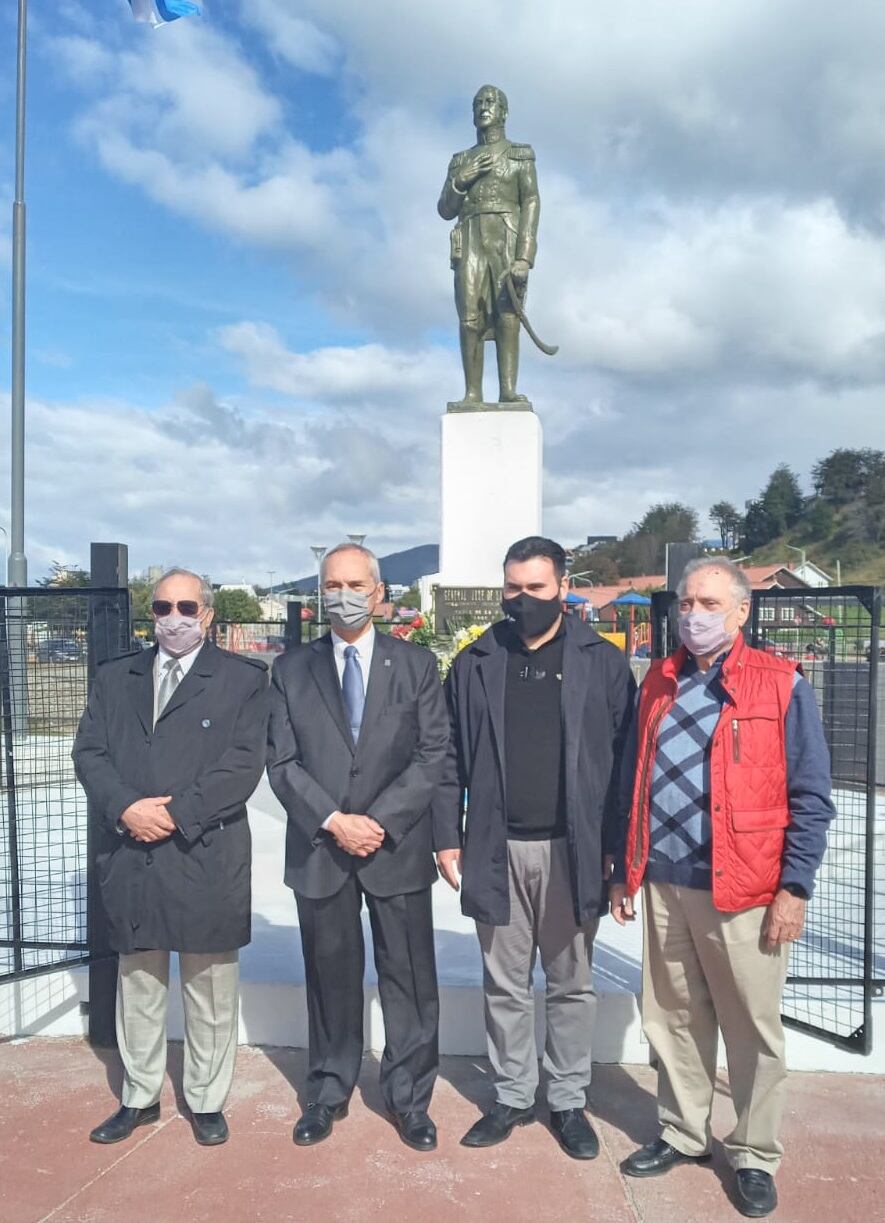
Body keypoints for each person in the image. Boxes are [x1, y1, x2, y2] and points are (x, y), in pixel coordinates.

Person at [609, 558, 835, 1219]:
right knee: (670, 1017)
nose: (691, 614)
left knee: (751, 1027)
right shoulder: (658, 678)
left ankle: (754, 1152)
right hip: (663, 881)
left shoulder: (780, 685)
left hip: (745, 887)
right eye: (684, 602)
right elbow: (634, 775)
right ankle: (682, 1131)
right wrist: (625, 869)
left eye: (707, 602)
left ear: (739, 612)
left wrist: (794, 886)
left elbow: (810, 796)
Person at [435, 537, 634, 1158]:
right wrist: (447, 836)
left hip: (574, 850)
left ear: (563, 587)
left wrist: (618, 851)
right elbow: (447, 757)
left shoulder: (600, 662)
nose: (523, 601)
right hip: (495, 847)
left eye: (537, 588)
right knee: (505, 982)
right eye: (513, 588)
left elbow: (626, 764)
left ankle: (569, 1099)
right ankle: (514, 1095)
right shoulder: (476, 662)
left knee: (572, 982)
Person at [73, 568, 269, 1147]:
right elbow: (90, 752)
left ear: (207, 614)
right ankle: (139, 1097)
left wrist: (176, 813)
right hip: (132, 850)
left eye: (187, 606)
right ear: (150, 613)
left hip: (203, 849)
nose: (174, 618)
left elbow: (243, 765)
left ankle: (207, 1100)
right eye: (162, 607)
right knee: (139, 980)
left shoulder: (242, 680)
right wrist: (126, 807)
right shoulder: (116, 678)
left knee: (209, 984)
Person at [267, 543, 450, 1152]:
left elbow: (432, 756)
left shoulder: (417, 665)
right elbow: (283, 761)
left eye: (354, 584)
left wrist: (376, 820)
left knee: (410, 979)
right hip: (323, 850)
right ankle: (327, 1089)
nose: (342, 595)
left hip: (393, 847)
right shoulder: (291, 669)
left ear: (377, 592)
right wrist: (333, 819)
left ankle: (409, 1099)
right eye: (331, 584)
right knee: (330, 977)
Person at [438, 84, 540, 405]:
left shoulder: (519, 154)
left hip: (505, 235)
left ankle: (507, 390)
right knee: (469, 316)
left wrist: (524, 256)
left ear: (503, 112)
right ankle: (472, 392)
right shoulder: (459, 161)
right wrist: (461, 180)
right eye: (478, 103)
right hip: (469, 237)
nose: (484, 107)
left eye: (491, 102)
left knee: (507, 312)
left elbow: (532, 202)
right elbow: (445, 209)